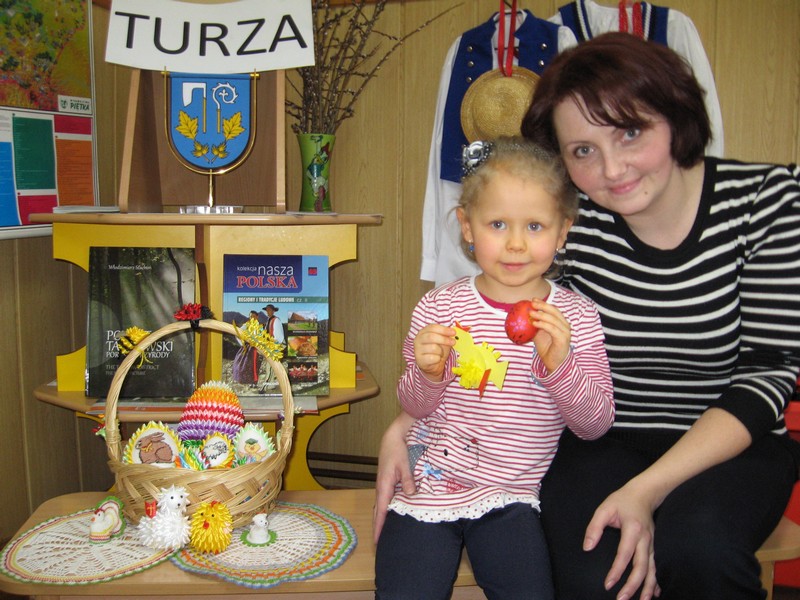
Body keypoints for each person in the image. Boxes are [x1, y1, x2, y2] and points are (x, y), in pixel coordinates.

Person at [375, 32, 800, 600]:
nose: (612, 169)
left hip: (730, 444)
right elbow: (491, 316)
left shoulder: (766, 200)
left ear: (675, 114)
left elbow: (768, 375)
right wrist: (406, 425)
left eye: (630, 132)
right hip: (604, 436)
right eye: (582, 151)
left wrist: (648, 490)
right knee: (587, 573)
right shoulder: (574, 220)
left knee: (699, 550)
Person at [374, 137, 615, 600]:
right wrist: (427, 374)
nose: (516, 244)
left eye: (536, 226)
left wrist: (559, 366)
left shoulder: (576, 317)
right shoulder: (440, 307)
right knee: (406, 587)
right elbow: (413, 406)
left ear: (562, 233)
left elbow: (594, 425)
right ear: (467, 226)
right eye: (498, 224)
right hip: (429, 483)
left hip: (512, 495)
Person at [231, 310, 262, 385]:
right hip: (248, 348)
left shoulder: (260, 327)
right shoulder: (246, 325)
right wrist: (243, 343)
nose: (252, 318)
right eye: (251, 316)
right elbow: (237, 333)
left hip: (257, 348)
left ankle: (254, 382)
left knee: (255, 365)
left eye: (254, 316)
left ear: (257, 317)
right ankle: (245, 381)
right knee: (243, 364)